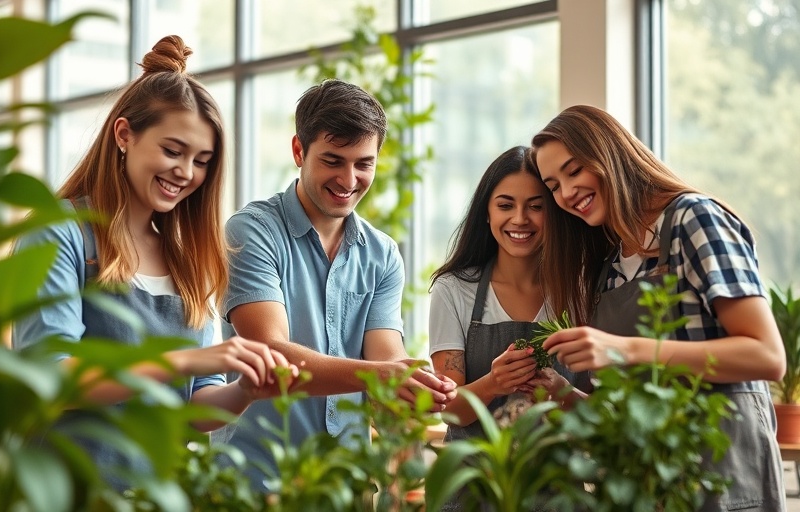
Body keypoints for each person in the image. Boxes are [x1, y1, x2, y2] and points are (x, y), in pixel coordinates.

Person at [12, 35, 296, 489]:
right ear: (124, 134)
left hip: (157, 493)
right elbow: (51, 376)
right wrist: (183, 361)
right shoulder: (57, 231)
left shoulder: (189, 260)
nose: (186, 172)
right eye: (172, 150)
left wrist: (245, 390)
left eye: (201, 161)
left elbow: (194, 406)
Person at [530, 104, 787, 511]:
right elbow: (632, 408)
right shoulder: (612, 268)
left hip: (723, 474)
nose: (565, 193)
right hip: (648, 480)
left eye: (574, 170)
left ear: (609, 153)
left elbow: (767, 355)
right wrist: (564, 396)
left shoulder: (693, 219)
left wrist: (623, 349)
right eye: (553, 185)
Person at [211, 78, 457, 490]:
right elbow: (273, 353)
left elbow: (385, 358)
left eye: (364, 163)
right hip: (255, 481)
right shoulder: (250, 232)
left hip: (346, 483)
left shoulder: (382, 254)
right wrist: (383, 374)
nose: (349, 179)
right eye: (333, 160)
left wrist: (413, 386)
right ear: (298, 151)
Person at [428, 146, 588, 512]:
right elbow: (451, 411)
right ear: (486, 212)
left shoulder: (580, 291)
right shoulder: (453, 290)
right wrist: (493, 383)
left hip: (558, 495)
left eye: (536, 206)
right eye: (505, 205)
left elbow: (601, 413)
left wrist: (562, 393)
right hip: (473, 493)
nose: (520, 219)